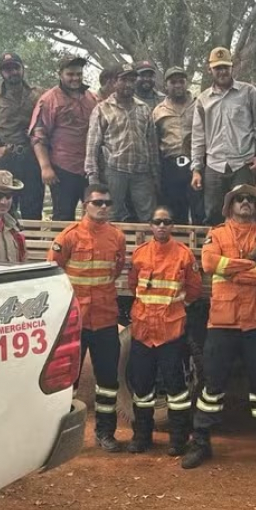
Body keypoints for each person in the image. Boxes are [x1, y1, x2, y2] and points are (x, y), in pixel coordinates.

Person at [181, 184, 256, 471]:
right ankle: (201, 441)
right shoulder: (216, 234)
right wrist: (251, 267)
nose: (245, 203)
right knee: (212, 387)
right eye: (239, 199)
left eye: (251, 200)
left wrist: (238, 274)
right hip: (222, 323)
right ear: (229, 207)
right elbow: (208, 262)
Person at [48, 184, 128, 452]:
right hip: (75, 322)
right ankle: (62, 436)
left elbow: (115, 270)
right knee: (66, 382)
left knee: (107, 382)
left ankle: (105, 434)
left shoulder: (116, 237)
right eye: (97, 202)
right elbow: (53, 275)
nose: (103, 207)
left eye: (107, 202)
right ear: (85, 205)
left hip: (105, 320)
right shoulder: (69, 237)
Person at [126, 207, 203, 455]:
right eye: (157, 222)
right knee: (142, 389)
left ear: (172, 226)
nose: (161, 226)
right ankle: (141, 437)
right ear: (150, 225)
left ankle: (178, 440)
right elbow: (132, 285)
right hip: (142, 332)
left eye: (166, 222)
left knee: (176, 390)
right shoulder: (139, 255)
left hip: (171, 332)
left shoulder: (183, 255)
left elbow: (194, 290)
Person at [191, 47, 256, 225]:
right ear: (210, 69)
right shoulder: (203, 99)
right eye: (217, 68)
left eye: (225, 67)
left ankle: (246, 252)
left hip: (243, 164)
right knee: (213, 214)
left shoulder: (249, 92)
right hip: (214, 165)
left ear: (232, 68)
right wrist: (197, 169)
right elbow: (198, 137)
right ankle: (214, 251)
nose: (222, 72)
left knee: (246, 212)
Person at [0, 51, 45, 220]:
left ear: (22, 68)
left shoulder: (39, 94)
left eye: (16, 67)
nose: (13, 72)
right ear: (1, 72)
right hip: (4, 158)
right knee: (1, 206)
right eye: (7, 69)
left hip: (31, 158)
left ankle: (29, 244)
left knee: (33, 207)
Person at [85, 65, 159, 223]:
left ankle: (147, 247)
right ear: (114, 82)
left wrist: (155, 172)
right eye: (124, 80)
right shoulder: (102, 109)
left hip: (141, 171)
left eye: (132, 80)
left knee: (148, 215)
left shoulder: (143, 109)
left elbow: (151, 144)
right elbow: (92, 146)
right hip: (114, 170)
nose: (129, 84)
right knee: (112, 214)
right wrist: (93, 177)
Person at [30, 56, 99, 222]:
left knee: (93, 215)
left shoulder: (92, 98)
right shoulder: (49, 99)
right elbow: (38, 136)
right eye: (70, 74)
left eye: (78, 74)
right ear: (60, 74)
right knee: (63, 215)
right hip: (62, 168)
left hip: (89, 168)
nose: (75, 78)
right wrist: (45, 167)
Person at [153, 67, 203, 225]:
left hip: (195, 163)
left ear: (186, 83)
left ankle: (199, 247)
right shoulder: (159, 111)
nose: (177, 85)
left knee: (198, 209)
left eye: (181, 81)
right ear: (166, 85)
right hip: (171, 164)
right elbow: (154, 141)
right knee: (174, 209)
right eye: (173, 82)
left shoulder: (199, 105)